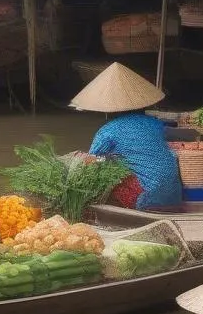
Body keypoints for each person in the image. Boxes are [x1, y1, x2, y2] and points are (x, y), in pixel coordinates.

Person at [71, 62, 182, 210]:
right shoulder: (155, 123)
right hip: (174, 195)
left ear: (107, 109)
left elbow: (91, 161)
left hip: (147, 197)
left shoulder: (108, 130)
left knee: (95, 165)